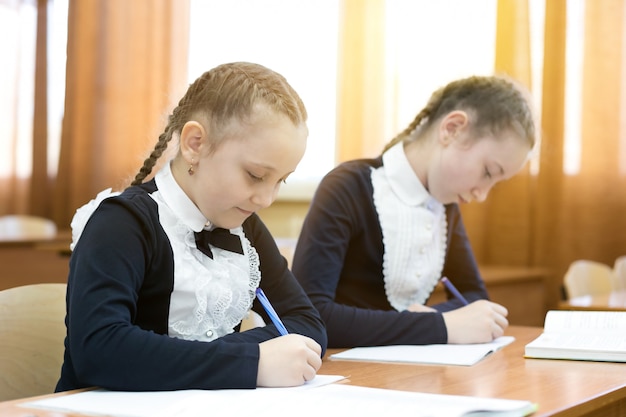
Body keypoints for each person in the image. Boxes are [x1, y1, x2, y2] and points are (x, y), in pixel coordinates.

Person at [55, 62, 327, 392]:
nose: (267, 199)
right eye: (255, 175)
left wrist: (243, 358)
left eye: (280, 180)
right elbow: (100, 350)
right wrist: (252, 362)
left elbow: (308, 323)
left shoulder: (243, 225)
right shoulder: (121, 222)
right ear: (195, 143)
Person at [291, 75, 536, 348]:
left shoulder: (445, 208)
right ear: (452, 128)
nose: (482, 194)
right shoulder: (348, 187)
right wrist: (438, 326)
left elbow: (474, 298)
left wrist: (437, 321)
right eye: (487, 172)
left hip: (410, 373)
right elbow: (311, 316)